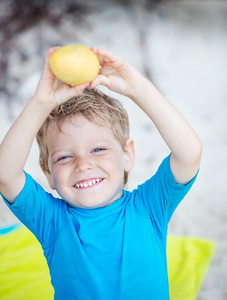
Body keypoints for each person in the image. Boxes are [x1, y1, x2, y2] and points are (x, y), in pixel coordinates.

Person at [0, 46, 202, 300]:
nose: (82, 164)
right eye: (64, 157)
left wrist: (138, 89)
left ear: (127, 155)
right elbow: (5, 174)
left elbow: (189, 154)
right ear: (48, 174)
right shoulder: (51, 221)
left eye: (97, 149)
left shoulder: (148, 207)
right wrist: (40, 104)